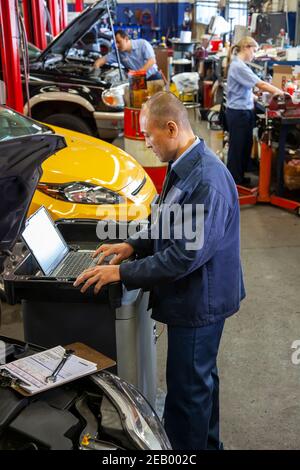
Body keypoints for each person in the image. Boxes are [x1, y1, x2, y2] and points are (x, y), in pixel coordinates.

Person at [74, 91, 245, 450]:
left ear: (171, 128)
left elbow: (184, 257)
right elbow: (163, 220)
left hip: (201, 302)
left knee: (187, 395)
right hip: (195, 296)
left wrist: (123, 273)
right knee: (199, 385)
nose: (145, 142)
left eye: (148, 134)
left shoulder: (206, 181)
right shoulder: (182, 164)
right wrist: (132, 245)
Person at [225, 36, 284, 185]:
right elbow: (261, 84)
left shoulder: (239, 64)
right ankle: (235, 183)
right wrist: (282, 93)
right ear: (246, 47)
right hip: (238, 113)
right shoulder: (239, 66)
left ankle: (239, 178)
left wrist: (253, 96)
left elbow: (243, 88)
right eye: (254, 50)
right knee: (237, 150)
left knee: (244, 147)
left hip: (241, 111)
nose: (254, 54)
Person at [93, 30, 161, 80]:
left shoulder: (143, 44)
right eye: (115, 43)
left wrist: (138, 73)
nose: (116, 46)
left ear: (126, 39)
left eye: (119, 42)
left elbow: (152, 61)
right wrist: (96, 71)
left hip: (153, 77)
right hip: (138, 80)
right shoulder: (118, 53)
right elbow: (100, 61)